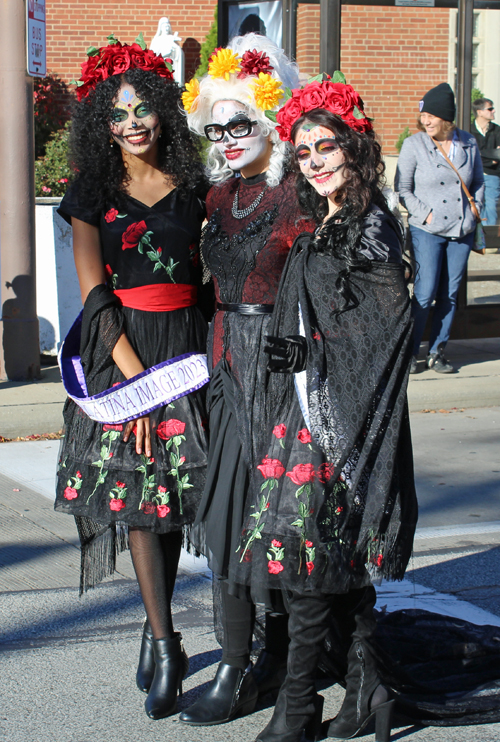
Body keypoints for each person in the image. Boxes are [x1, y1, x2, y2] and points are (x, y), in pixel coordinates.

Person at [228, 74, 418, 742]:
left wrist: (313, 355)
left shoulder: (370, 227)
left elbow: (392, 325)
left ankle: (299, 709)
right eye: (304, 150)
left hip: (341, 419)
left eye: (327, 145)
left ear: (354, 147)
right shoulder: (330, 220)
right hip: (307, 415)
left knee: (308, 568)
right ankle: (372, 690)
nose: (314, 160)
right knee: (331, 561)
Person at [54, 36, 210, 720]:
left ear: (163, 112)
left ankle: (156, 628)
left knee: (173, 500)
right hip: (123, 349)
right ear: (102, 124)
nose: (132, 122)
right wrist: (134, 385)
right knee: (141, 501)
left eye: (143, 108)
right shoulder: (91, 190)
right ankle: (168, 643)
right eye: (117, 114)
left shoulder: (195, 185)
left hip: (190, 347)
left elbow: (209, 275)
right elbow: (93, 293)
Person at [180, 34, 315, 726]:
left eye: (241, 123)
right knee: (228, 514)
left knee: (285, 523)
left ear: (268, 122)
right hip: (227, 365)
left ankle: (289, 668)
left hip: (286, 374)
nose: (229, 138)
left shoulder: (299, 195)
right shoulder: (216, 197)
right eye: (217, 126)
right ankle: (236, 661)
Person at [395, 82, 484, 375]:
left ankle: (437, 351)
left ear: (446, 117)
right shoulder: (414, 145)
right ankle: (409, 353)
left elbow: (479, 183)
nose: (425, 120)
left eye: (431, 115)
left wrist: (474, 211)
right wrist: (427, 214)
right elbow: (402, 189)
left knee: (450, 293)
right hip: (427, 229)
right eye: (423, 115)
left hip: (462, 229)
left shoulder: (468, 143)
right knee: (424, 291)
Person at [472, 97, 500, 226]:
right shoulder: (469, 131)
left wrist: (481, 155)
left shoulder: (497, 130)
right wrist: (491, 156)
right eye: (490, 109)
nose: (493, 111)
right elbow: (471, 155)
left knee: (491, 207)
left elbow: (498, 156)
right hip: (473, 175)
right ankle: (480, 239)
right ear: (480, 112)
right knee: (477, 207)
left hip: (492, 174)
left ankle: (491, 241)